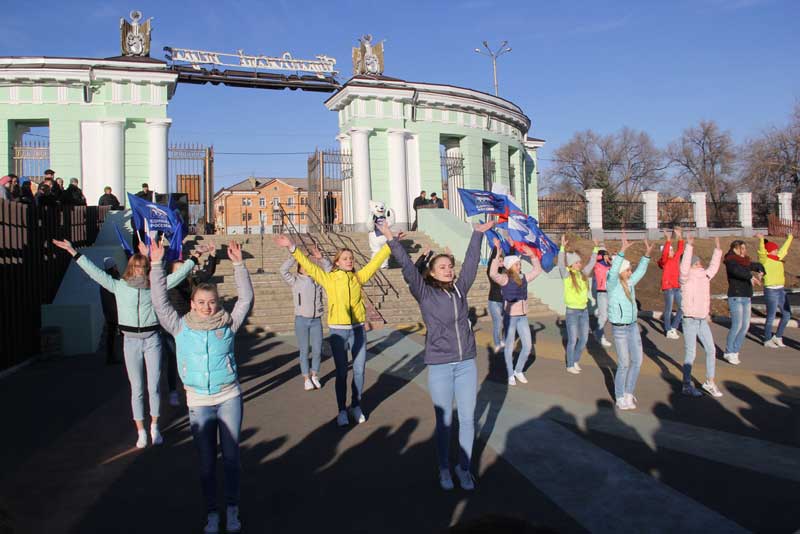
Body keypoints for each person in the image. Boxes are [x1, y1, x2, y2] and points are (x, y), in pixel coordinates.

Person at [52, 238, 200, 448]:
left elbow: (177, 276)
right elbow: (95, 272)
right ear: (131, 267)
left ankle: (154, 427)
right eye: (136, 266)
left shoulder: (154, 287)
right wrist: (72, 252)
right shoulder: (119, 286)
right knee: (137, 388)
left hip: (152, 340)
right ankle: (141, 430)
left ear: (148, 268)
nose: (140, 270)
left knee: (154, 386)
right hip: (130, 341)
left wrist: (194, 259)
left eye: (143, 266)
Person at [382, 218, 495, 491]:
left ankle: (464, 468)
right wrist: (391, 239)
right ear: (431, 272)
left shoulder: (460, 289)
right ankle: (444, 468)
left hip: (466, 363)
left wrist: (477, 235)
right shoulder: (424, 293)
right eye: (442, 267)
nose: (448, 270)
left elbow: (470, 264)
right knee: (444, 422)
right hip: (440, 365)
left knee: (468, 420)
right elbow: (408, 269)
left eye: (449, 267)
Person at [149, 239, 252, 534]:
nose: (207, 308)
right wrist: (157, 265)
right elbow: (159, 302)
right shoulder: (180, 326)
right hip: (198, 402)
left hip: (229, 396)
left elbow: (245, 300)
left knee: (231, 458)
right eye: (201, 303)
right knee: (207, 464)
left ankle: (232, 508)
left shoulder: (228, 323)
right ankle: (211, 513)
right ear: (192, 304)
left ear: (218, 303)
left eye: (212, 302)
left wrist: (239, 265)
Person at [274, 233, 390, 426]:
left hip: (358, 329)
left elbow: (375, 263)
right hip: (338, 331)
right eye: (345, 258)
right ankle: (341, 410)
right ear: (337, 262)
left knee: (360, 370)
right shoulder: (328, 278)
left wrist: (390, 244)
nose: (349, 261)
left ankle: (356, 405)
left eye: (351, 258)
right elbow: (309, 266)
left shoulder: (357, 277)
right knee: (343, 372)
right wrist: (293, 247)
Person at [164, 243, 219, 406]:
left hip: (191, 324)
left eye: (184, 269)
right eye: (178, 270)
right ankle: (173, 390)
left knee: (193, 357)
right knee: (173, 358)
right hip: (173, 327)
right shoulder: (169, 283)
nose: (182, 272)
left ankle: (194, 387)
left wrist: (213, 255)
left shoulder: (192, 281)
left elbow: (208, 273)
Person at [607, 233, 653, 410]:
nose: (630, 272)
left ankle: (628, 393)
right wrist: (621, 252)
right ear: (621, 271)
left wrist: (646, 256)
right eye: (628, 270)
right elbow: (612, 272)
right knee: (624, 363)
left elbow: (641, 271)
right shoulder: (613, 284)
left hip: (632, 326)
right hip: (619, 329)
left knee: (637, 361)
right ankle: (619, 396)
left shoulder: (630, 283)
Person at [490, 243, 543, 385]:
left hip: (523, 317)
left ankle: (518, 371)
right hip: (510, 318)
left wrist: (532, 255)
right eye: (517, 264)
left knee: (527, 346)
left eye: (519, 264)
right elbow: (493, 274)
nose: (519, 266)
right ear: (509, 266)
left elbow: (538, 270)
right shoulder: (505, 279)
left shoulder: (524, 278)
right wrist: (496, 256)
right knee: (509, 346)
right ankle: (510, 374)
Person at [279, 244, 331, 391]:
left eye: (309, 266)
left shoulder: (318, 280)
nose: (307, 268)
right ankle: (306, 378)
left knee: (317, 349)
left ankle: (314, 375)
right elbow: (282, 271)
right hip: (301, 320)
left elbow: (329, 273)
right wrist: (294, 257)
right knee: (304, 350)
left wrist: (322, 259)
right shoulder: (295, 281)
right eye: (304, 266)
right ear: (299, 269)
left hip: (316, 320)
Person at [678, 236, 724, 397]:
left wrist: (717, 249)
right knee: (691, 352)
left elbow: (714, 267)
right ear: (692, 263)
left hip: (701, 319)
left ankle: (709, 382)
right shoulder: (685, 277)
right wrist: (689, 247)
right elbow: (684, 267)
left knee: (711, 350)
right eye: (697, 262)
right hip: (690, 319)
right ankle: (686, 384)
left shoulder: (704, 275)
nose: (701, 264)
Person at [557, 235, 599, 374]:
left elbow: (592, 263)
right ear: (571, 264)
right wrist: (562, 247)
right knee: (573, 340)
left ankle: (575, 360)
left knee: (584, 339)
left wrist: (595, 249)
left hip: (584, 311)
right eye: (577, 262)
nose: (579, 264)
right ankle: (570, 364)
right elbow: (561, 264)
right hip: (572, 312)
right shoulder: (567, 275)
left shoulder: (583, 274)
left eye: (580, 262)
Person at [723, 240, 764, 365]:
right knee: (737, 325)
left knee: (745, 326)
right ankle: (728, 351)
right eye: (743, 248)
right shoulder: (730, 261)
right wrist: (751, 277)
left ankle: (735, 351)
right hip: (736, 297)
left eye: (745, 248)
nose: (745, 251)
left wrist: (761, 270)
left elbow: (756, 265)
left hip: (746, 297)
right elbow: (737, 271)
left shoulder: (745, 261)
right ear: (736, 249)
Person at [757, 233, 793, 348]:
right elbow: (761, 252)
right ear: (769, 251)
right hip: (771, 290)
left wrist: (790, 238)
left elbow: (784, 249)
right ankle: (767, 339)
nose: (777, 251)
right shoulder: (764, 260)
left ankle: (777, 337)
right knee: (771, 316)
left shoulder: (778, 258)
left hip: (781, 290)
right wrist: (762, 240)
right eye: (774, 250)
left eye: (777, 249)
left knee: (787, 315)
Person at [658, 228, 685, 339]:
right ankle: (668, 330)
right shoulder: (664, 261)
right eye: (670, 250)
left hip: (676, 286)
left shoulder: (675, 258)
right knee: (668, 309)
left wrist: (679, 236)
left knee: (682, 307)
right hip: (668, 287)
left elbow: (681, 249)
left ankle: (674, 327)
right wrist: (668, 240)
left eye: (672, 250)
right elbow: (664, 255)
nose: (672, 251)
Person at [487, 242, 508, 353]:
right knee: (498, 322)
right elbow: (491, 263)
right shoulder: (492, 274)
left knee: (506, 322)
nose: (500, 262)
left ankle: (504, 341)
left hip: (505, 301)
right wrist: (496, 249)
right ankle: (497, 344)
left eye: (502, 260)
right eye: (498, 260)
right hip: (494, 301)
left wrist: (512, 246)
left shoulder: (507, 273)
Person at [100, 257, 121, 365]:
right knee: (122, 335)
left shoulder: (104, 279)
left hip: (108, 311)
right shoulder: (114, 279)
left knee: (111, 335)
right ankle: (114, 357)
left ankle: (110, 356)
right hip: (116, 311)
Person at [591, 246, 613, 347]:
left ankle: (597, 332)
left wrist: (610, 262)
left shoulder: (608, 266)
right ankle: (600, 336)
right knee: (604, 316)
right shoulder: (598, 265)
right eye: (606, 254)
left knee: (607, 316)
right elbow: (596, 259)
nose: (608, 256)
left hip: (609, 292)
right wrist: (603, 256)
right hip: (601, 292)